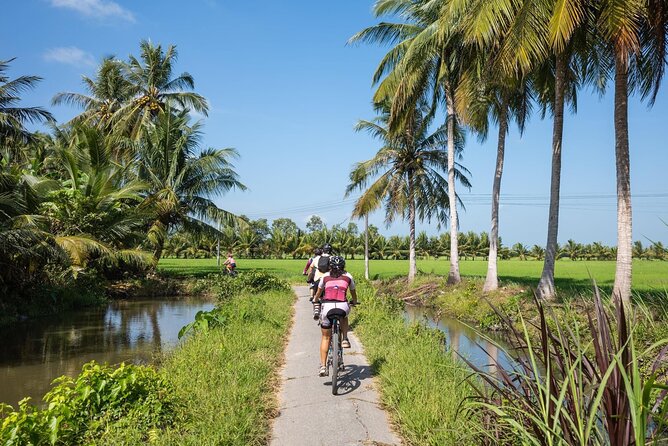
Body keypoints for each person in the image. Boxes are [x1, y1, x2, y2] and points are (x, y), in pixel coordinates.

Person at [312, 255, 358, 377]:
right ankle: (344, 339)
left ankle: (323, 366)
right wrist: (354, 301)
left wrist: (315, 300)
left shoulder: (325, 277)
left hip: (327, 308)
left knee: (325, 337)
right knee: (345, 315)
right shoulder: (348, 276)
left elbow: (318, 293)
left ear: (329, 266)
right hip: (342, 307)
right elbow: (353, 293)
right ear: (343, 266)